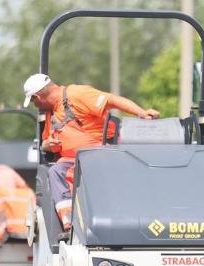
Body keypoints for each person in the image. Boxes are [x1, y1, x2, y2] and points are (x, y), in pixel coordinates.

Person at [22, 73, 160, 231]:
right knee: (56, 171)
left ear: (38, 97)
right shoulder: (50, 114)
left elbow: (112, 100)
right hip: (73, 161)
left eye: (33, 101)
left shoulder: (77, 94)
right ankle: (69, 222)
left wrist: (141, 113)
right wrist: (47, 145)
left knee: (78, 173)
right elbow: (46, 142)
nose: (35, 105)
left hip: (100, 153)